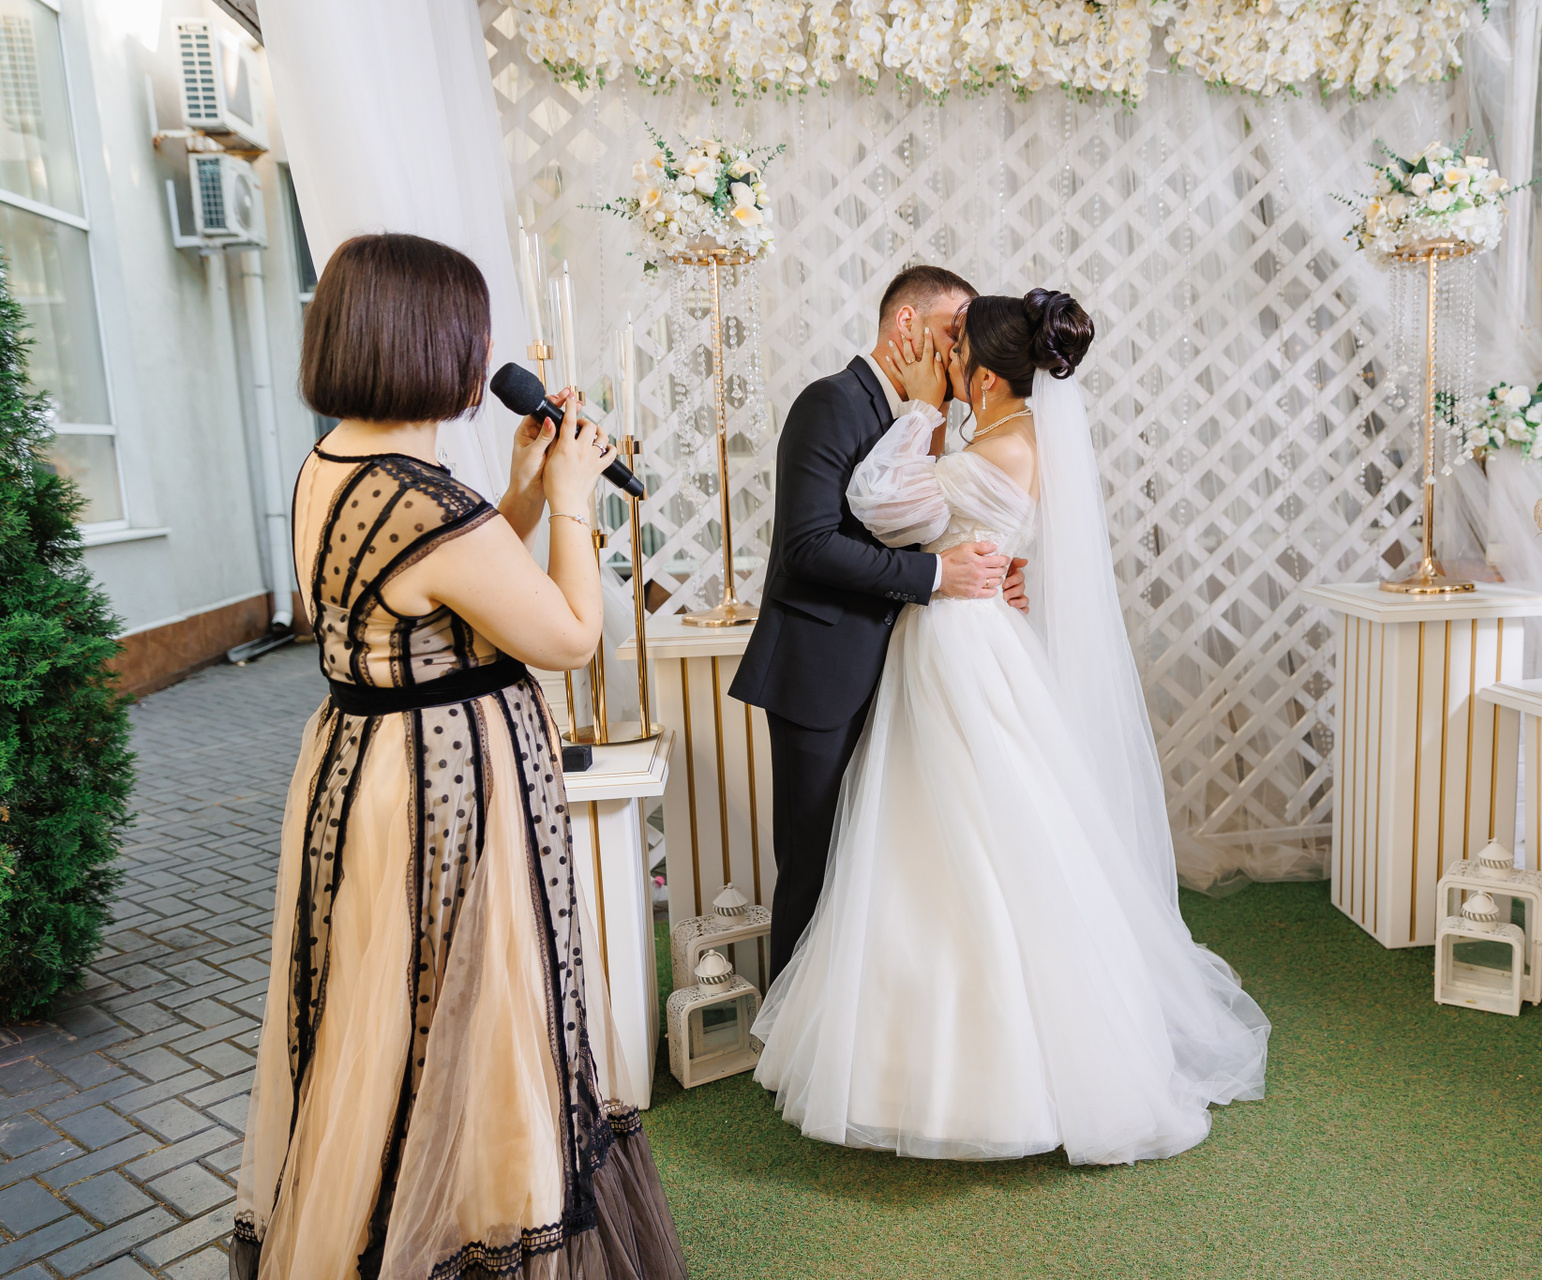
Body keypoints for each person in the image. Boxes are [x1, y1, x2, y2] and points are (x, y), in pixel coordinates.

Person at [231, 234, 688, 1277]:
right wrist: (569, 495)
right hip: (446, 798)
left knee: (390, 1023)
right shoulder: (422, 501)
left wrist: (519, 491)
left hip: (370, 771)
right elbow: (567, 634)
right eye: (473, 330)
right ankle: (467, 1220)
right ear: (426, 339)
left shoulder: (334, 466)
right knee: (464, 1020)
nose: (485, 351)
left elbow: (450, 591)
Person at [749, 289, 1270, 1165]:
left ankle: (970, 1070)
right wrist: (969, 555)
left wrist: (922, 420)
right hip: (957, 637)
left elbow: (880, 504)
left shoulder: (990, 441)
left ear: (984, 375)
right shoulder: (978, 431)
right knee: (929, 833)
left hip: (956, 646)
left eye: (958, 351)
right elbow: (867, 537)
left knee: (958, 833)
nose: (947, 360)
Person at [731, 265, 1024, 982]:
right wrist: (937, 575)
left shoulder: (936, 417)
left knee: (879, 869)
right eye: (954, 330)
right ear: (907, 325)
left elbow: (929, 522)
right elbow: (807, 546)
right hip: (822, 670)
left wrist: (996, 571)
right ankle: (784, 1025)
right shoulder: (831, 402)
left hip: (906, 673)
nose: (962, 349)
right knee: (815, 862)